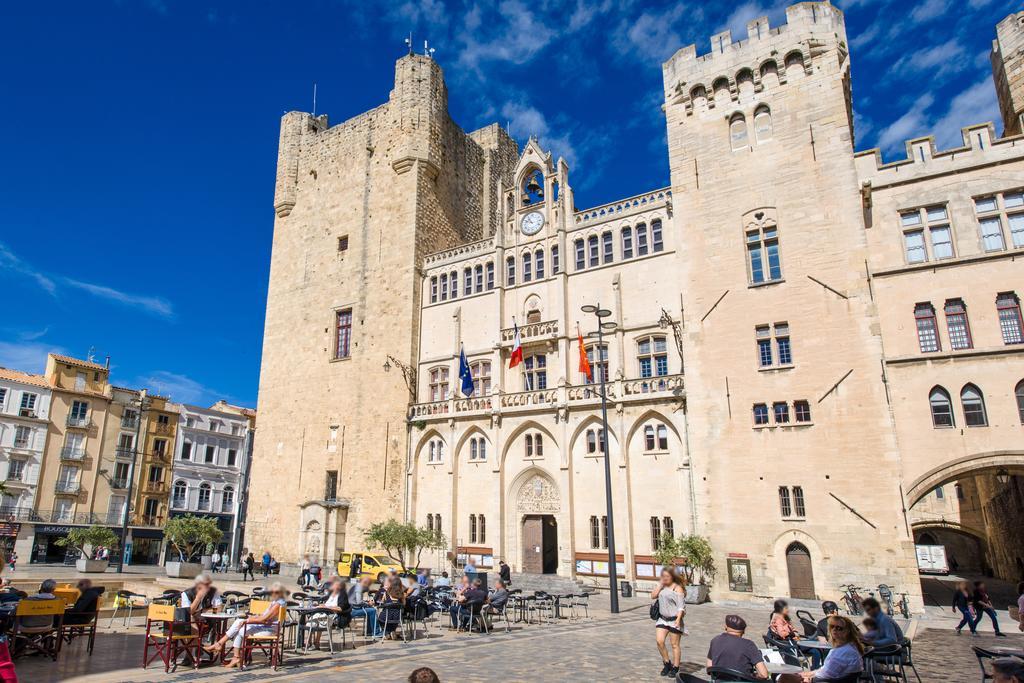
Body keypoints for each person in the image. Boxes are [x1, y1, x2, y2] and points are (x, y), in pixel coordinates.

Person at [204, 582, 288, 668]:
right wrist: (252, 617)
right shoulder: (277, 602)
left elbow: (264, 619)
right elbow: (263, 617)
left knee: (240, 628)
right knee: (239, 624)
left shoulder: (278, 604)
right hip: (265, 626)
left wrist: (248, 620)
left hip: (268, 630)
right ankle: (229, 652)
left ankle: (227, 650)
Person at [799, 615, 864, 682]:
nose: (834, 629)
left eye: (839, 628)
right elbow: (825, 669)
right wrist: (807, 674)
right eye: (832, 626)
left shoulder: (844, 651)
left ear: (847, 631)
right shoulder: (846, 647)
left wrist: (809, 678)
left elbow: (827, 674)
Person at [706, 614, 770, 681]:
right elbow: (764, 674)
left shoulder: (715, 640)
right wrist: (754, 676)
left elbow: (709, 667)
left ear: (725, 627)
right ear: (743, 631)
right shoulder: (749, 645)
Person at [652, 567, 686, 678]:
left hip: (673, 620)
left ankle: (676, 667)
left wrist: (677, 620)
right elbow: (653, 596)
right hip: (662, 619)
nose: (665, 578)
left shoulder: (677, 588)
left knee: (674, 644)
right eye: (663, 576)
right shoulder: (662, 586)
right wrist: (660, 585)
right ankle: (667, 663)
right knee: (659, 641)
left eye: (667, 576)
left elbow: (681, 607)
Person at [309, 578, 350, 648]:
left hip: (335, 616)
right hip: (325, 613)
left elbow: (340, 609)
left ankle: (313, 642)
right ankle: (311, 641)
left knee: (317, 619)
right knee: (312, 619)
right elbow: (326, 604)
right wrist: (319, 606)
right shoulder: (332, 594)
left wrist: (327, 608)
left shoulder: (342, 595)